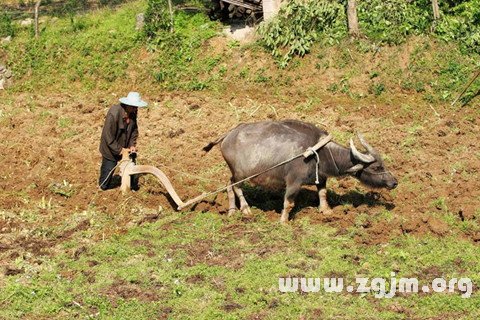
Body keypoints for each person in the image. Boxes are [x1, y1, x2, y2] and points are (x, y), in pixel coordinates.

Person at [98, 91, 148, 190]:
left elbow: (134, 130)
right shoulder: (114, 113)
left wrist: (132, 145)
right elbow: (108, 136)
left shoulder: (133, 112)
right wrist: (120, 150)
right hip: (110, 148)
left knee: (132, 166)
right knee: (104, 184)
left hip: (125, 145)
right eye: (133, 106)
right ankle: (103, 186)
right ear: (127, 104)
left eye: (136, 107)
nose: (136, 109)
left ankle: (131, 186)